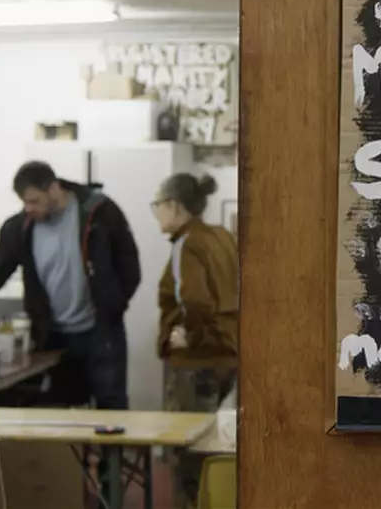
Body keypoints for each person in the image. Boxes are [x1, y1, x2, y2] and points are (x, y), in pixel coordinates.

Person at [0, 161, 141, 410]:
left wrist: (113, 304)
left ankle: (109, 452)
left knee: (111, 408)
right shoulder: (21, 227)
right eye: (24, 202)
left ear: (53, 189)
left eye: (34, 201)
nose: (28, 208)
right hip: (53, 338)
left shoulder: (100, 212)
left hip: (101, 333)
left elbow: (129, 266)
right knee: (60, 411)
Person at [151, 173, 237, 509]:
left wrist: (192, 337)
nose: (157, 213)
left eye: (157, 205)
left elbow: (196, 301)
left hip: (196, 364)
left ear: (174, 206)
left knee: (188, 452)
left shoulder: (187, 244)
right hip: (228, 357)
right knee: (219, 447)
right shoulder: (223, 237)